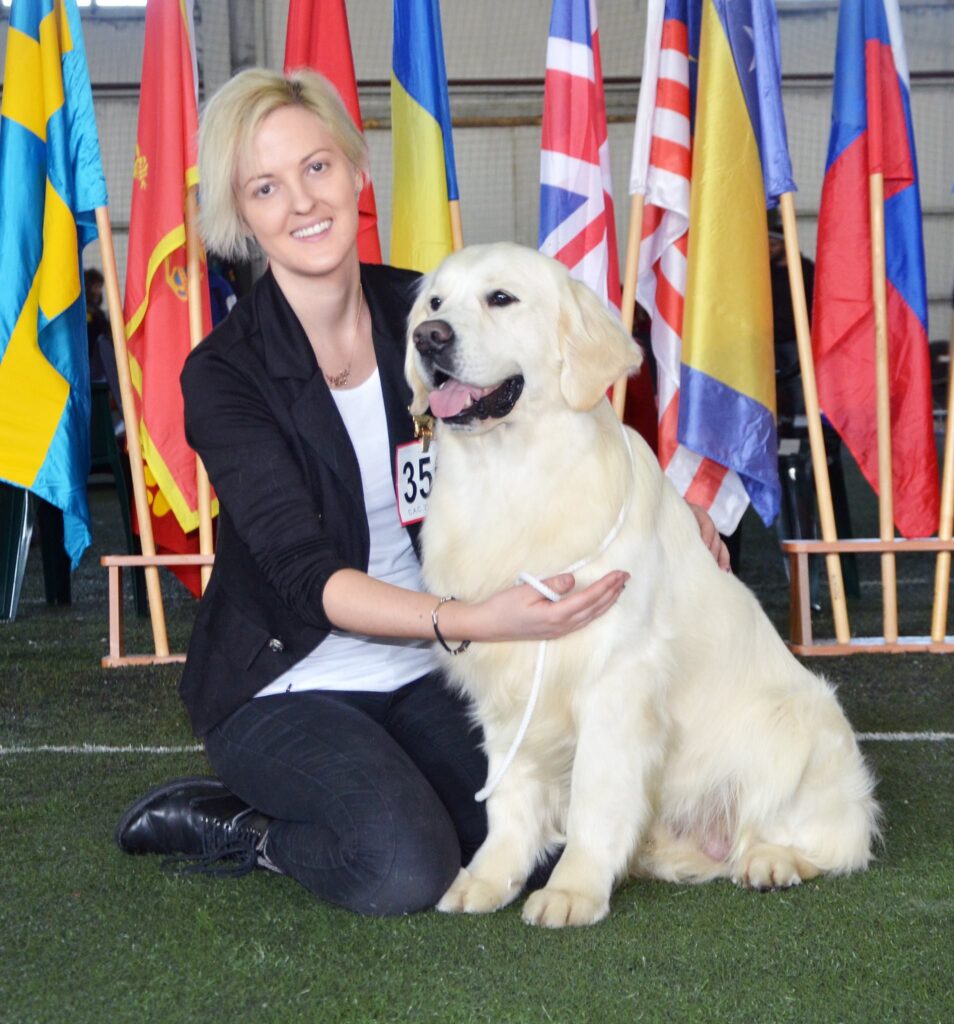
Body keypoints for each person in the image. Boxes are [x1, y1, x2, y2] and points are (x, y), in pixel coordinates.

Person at [115, 68, 727, 917]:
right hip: (291, 675)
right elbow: (307, 578)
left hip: (436, 663)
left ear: (356, 170)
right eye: (266, 187)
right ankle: (242, 829)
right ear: (242, 216)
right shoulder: (224, 374)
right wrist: (477, 620)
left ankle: (406, 780)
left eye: (317, 167)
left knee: (531, 844)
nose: (302, 202)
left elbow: (562, 417)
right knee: (400, 867)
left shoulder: (434, 308)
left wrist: (664, 510)